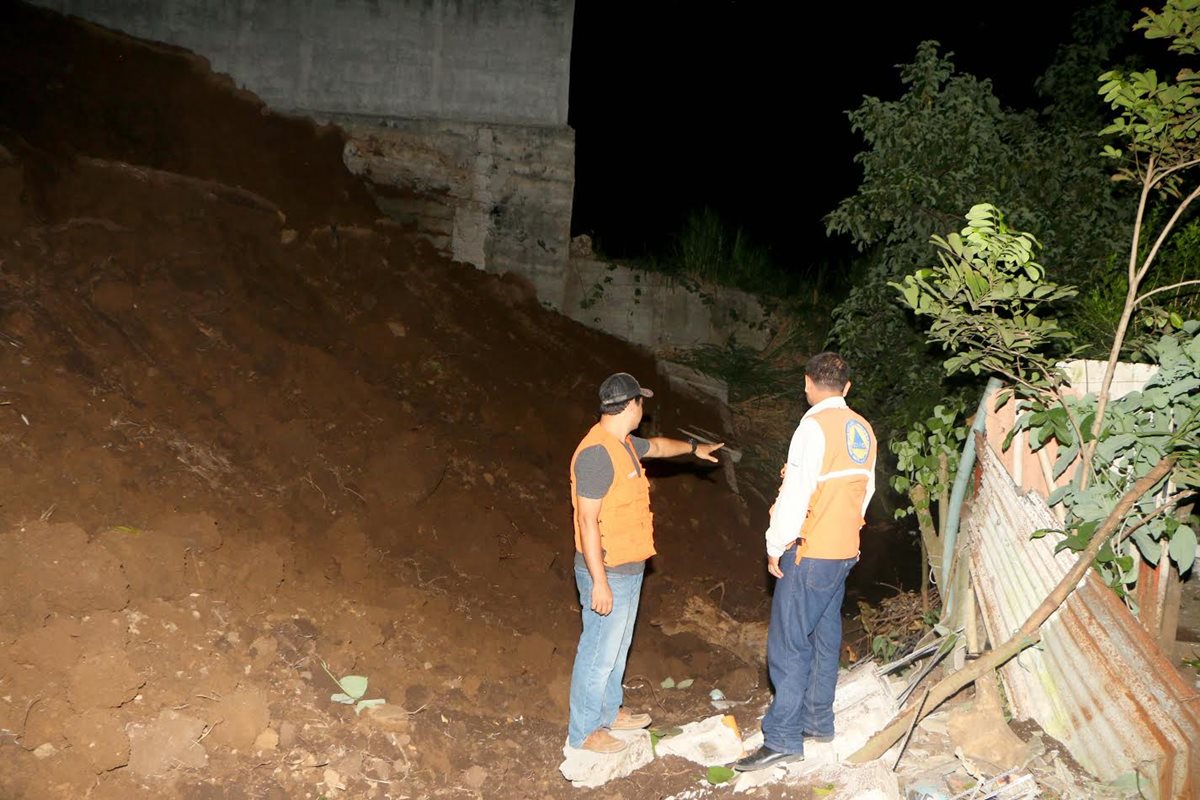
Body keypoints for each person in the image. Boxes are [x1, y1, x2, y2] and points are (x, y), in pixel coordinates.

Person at [567, 372, 724, 754]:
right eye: (641, 401)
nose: (645, 408)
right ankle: (585, 732)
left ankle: (609, 712)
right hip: (607, 570)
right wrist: (600, 582)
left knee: (617, 649)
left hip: (629, 567)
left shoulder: (624, 444)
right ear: (629, 405)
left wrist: (692, 447)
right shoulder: (596, 454)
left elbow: (657, 446)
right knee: (598, 652)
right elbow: (587, 520)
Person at [734, 352, 876, 771]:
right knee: (825, 635)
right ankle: (817, 722)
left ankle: (781, 739)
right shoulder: (863, 430)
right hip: (844, 550)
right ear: (847, 387)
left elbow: (796, 492)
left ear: (808, 383)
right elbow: (866, 492)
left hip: (810, 549)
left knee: (790, 643)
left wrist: (775, 544)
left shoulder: (812, 428)